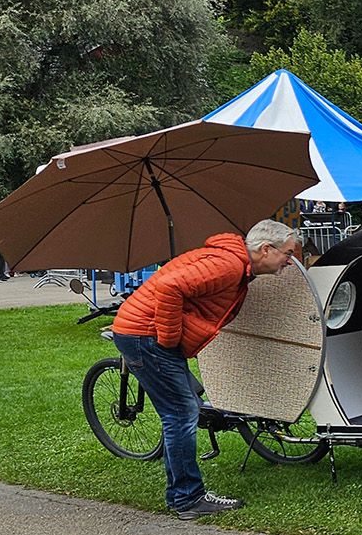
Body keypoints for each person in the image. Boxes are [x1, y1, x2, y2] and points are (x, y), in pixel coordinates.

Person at [108, 220, 301, 518]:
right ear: (266, 249)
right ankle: (187, 499)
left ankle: (182, 494)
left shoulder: (236, 264)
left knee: (180, 412)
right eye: (287, 253)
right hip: (144, 335)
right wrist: (170, 340)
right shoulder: (229, 266)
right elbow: (170, 288)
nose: (289, 261)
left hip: (142, 332)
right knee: (181, 414)